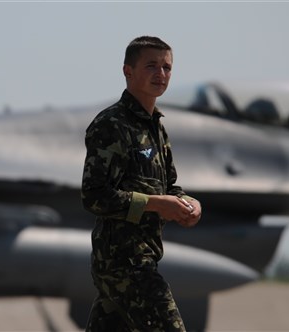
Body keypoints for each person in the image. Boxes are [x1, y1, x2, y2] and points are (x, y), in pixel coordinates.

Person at [81, 36, 202, 332]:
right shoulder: (111, 125)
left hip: (140, 258)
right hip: (124, 264)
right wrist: (157, 205)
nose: (160, 74)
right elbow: (95, 195)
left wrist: (189, 203)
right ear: (128, 71)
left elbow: (169, 187)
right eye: (151, 66)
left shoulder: (156, 129)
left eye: (166, 67)